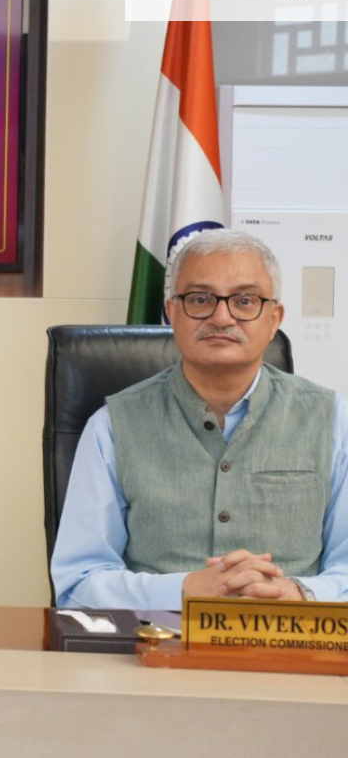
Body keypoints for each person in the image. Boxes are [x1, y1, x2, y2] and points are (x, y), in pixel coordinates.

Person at [52, 229, 348, 610]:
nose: (221, 317)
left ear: (274, 319)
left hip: (291, 640)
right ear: (172, 312)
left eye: (244, 301)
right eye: (200, 299)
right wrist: (184, 589)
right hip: (153, 641)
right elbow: (77, 584)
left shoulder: (334, 422)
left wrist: (294, 593)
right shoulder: (110, 427)